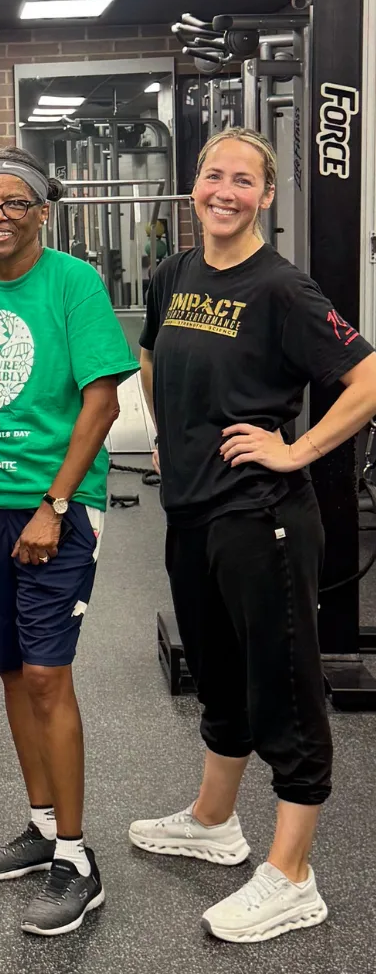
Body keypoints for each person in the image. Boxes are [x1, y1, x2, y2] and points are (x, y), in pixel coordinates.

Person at [129, 126, 376, 943]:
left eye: (243, 180)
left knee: (287, 690)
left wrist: (296, 447)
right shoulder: (174, 273)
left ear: (266, 196)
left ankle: (294, 875)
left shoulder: (283, 290)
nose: (224, 191)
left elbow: (368, 377)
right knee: (219, 672)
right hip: (193, 510)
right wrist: (168, 434)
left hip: (262, 514)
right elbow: (153, 359)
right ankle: (213, 820)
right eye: (212, 176)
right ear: (194, 186)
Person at [0, 147, 139, 937]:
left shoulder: (73, 284)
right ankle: (42, 826)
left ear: (43, 210)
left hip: (58, 509)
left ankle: (77, 858)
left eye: (15, 202)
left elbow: (103, 404)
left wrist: (55, 501)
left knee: (47, 676)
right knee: (9, 669)